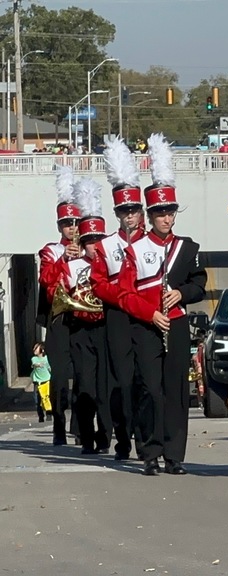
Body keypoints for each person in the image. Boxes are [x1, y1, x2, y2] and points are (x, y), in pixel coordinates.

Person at [117, 134, 207, 476]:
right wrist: (150, 312)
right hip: (146, 325)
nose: (166, 218)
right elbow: (125, 294)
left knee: (176, 392)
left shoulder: (188, 247)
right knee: (150, 390)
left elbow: (200, 283)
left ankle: (174, 455)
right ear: (149, 216)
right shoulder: (135, 249)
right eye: (159, 213)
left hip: (178, 323)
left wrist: (181, 294)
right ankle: (150, 452)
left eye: (170, 212)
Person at [92, 135, 148, 461]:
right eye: (124, 211)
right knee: (121, 381)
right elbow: (98, 283)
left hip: (143, 315)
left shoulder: (152, 242)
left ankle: (145, 440)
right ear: (117, 213)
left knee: (144, 379)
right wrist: (122, 296)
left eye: (134, 210)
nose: (130, 216)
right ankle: (122, 438)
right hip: (116, 315)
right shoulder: (105, 246)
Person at [67, 179, 111, 455]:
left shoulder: (115, 263)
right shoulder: (71, 266)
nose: (94, 246)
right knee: (85, 385)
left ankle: (106, 436)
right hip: (81, 328)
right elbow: (57, 294)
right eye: (89, 241)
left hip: (107, 327)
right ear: (82, 243)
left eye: (98, 240)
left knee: (107, 385)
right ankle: (86, 437)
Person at [38, 166, 80, 446]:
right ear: (59, 227)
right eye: (67, 224)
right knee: (61, 376)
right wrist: (64, 259)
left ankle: (81, 426)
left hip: (84, 317)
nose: (72, 228)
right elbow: (46, 281)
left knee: (85, 375)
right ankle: (58, 424)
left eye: (76, 222)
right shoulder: (51, 250)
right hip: (60, 319)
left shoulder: (92, 245)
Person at [31, 343, 51, 423]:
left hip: (46, 381)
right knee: (37, 400)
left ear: (42, 350)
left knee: (46, 398)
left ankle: (49, 414)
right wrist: (38, 365)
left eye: (36, 348)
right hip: (37, 382)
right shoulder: (34, 359)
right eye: (34, 348)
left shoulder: (46, 359)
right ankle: (41, 416)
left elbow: (50, 368)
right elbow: (34, 364)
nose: (34, 349)